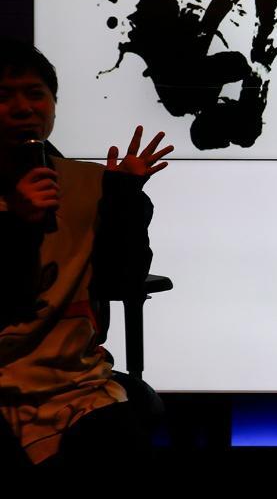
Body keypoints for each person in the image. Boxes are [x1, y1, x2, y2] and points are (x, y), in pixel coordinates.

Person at [0, 38, 172, 468]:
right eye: (4, 96)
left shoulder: (88, 183)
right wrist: (16, 223)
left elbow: (121, 278)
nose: (23, 108)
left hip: (77, 383)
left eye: (35, 93)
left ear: (54, 104)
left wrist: (125, 198)